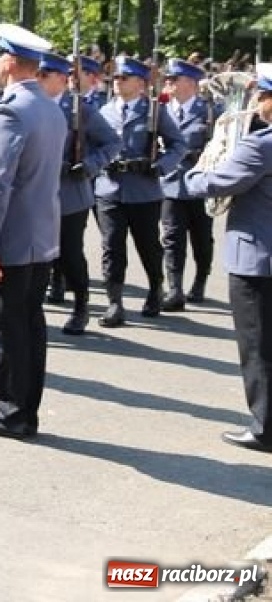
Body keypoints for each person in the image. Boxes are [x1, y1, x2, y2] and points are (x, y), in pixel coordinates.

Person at [0, 24, 67, 441]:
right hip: (40, 236)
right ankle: (25, 409)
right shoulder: (49, 107)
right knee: (30, 326)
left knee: (5, 328)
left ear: (7, 61)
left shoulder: (9, 111)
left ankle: (9, 410)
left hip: (9, 240)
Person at [183, 64, 272, 453]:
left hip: (257, 257)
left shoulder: (261, 144)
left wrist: (192, 176)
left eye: (260, 96)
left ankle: (265, 426)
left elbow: (219, 181)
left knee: (257, 347)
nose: (254, 103)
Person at [93, 57, 187, 326]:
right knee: (111, 247)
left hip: (143, 189)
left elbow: (177, 145)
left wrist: (159, 167)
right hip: (109, 187)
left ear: (140, 83)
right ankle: (115, 302)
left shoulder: (154, 112)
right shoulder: (104, 111)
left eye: (124, 78)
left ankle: (155, 288)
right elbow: (90, 144)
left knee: (147, 245)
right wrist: (98, 162)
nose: (117, 82)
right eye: (116, 78)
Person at [35, 51, 121, 335]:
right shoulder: (30, 106)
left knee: (69, 253)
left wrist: (88, 166)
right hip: (35, 193)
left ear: (60, 79)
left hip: (69, 193)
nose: (37, 80)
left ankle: (81, 305)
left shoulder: (79, 109)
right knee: (37, 255)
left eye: (42, 75)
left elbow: (111, 143)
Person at [160, 59, 218, 307]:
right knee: (172, 238)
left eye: (175, 79)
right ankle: (175, 288)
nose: (169, 83)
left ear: (192, 84)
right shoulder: (160, 112)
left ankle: (200, 281)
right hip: (171, 183)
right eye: (168, 79)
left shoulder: (210, 112)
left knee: (201, 239)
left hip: (200, 185)